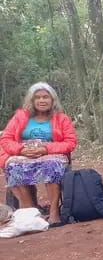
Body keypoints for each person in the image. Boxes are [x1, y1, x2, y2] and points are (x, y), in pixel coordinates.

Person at [0, 82, 77, 227]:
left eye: (46, 97)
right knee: (14, 166)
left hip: (51, 153)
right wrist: (20, 150)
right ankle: (31, 212)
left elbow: (70, 142)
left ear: (52, 100)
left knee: (51, 165)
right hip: (25, 153)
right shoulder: (20, 117)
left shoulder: (61, 118)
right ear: (32, 101)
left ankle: (54, 213)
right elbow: (6, 139)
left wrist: (46, 149)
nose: (42, 100)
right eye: (38, 97)